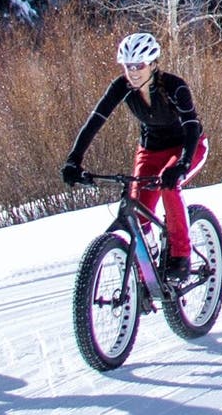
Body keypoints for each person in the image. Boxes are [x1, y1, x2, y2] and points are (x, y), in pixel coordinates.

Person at [63, 31, 208, 278]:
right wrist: (74, 159)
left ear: (152, 65)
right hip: (150, 151)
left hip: (188, 147)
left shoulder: (175, 87)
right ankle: (148, 267)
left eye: (139, 65)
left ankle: (181, 257)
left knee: (168, 187)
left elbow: (192, 126)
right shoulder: (122, 87)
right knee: (138, 209)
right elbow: (95, 121)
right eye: (127, 66)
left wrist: (182, 164)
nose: (133, 72)